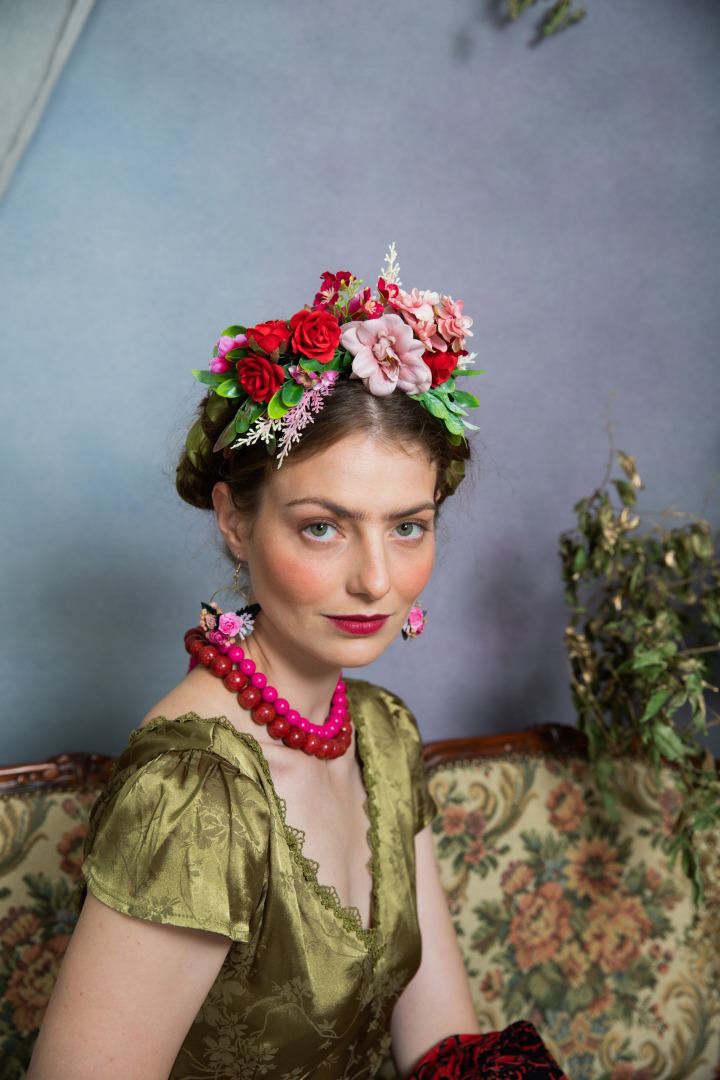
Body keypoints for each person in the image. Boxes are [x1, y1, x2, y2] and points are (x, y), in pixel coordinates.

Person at [29, 257, 565, 1079]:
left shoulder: (381, 733)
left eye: (408, 527)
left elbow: (443, 1048)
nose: (376, 580)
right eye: (323, 527)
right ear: (234, 522)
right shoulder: (193, 793)